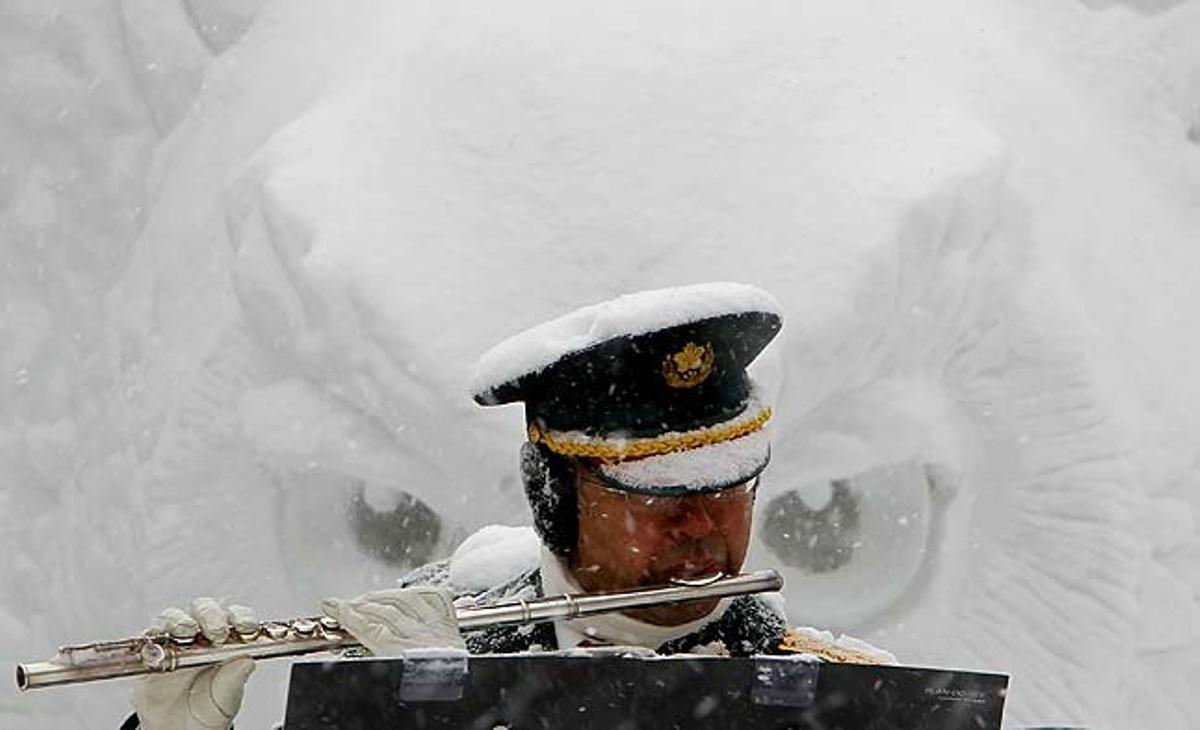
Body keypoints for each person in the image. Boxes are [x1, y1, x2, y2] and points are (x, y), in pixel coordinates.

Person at [125, 282, 890, 730]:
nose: (702, 527)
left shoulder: (836, 698)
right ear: (555, 493)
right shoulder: (415, 632)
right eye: (657, 499)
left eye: (729, 491)